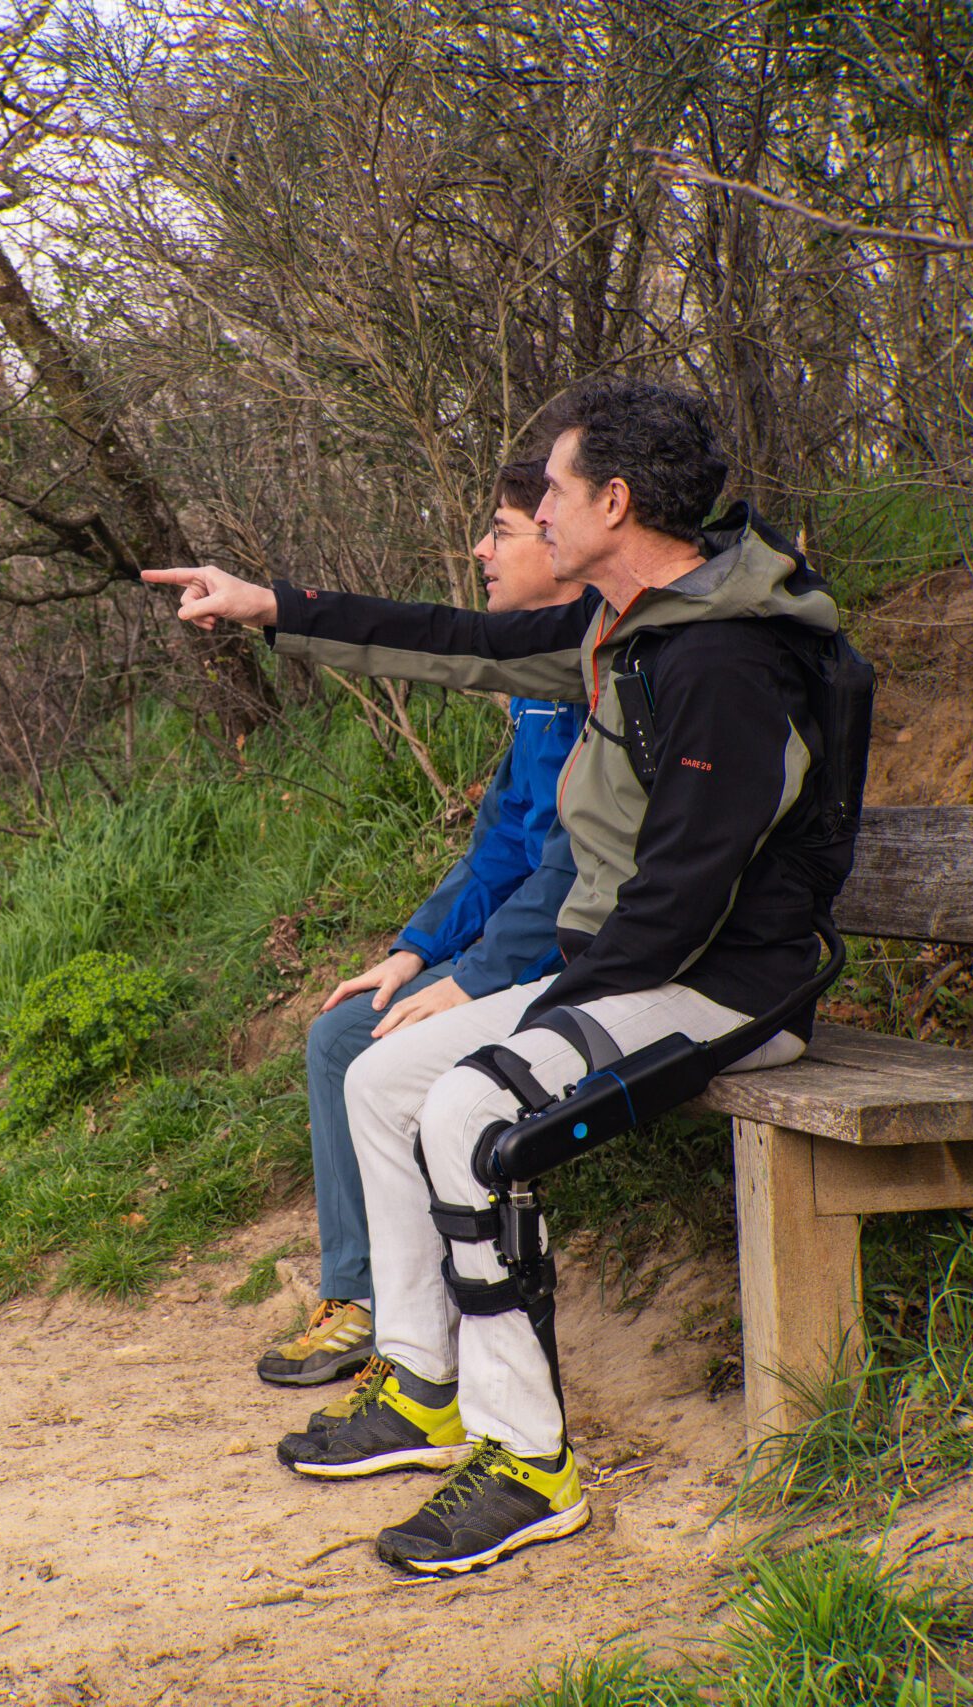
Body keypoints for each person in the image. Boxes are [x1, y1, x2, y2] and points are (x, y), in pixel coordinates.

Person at [145, 379, 856, 1575]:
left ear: (611, 503)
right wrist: (267, 604)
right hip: (633, 974)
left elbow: (689, 893)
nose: (530, 517)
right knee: (381, 1080)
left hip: (731, 994)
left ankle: (528, 1462)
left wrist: (530, 1021)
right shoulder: (626, 626)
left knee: (474, 1105)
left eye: (556, 491)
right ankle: (423, 1389)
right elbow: (459, 640)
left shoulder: (726, 660)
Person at [258, 461, 582, 1393]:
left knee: (376, 1055)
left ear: (562, 546)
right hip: (515, 954)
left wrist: (466, 978)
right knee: (339, 1033)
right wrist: (413, 949)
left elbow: (572, 876)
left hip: (583, 971)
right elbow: (498, 848)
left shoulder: (603, 675)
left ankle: (426, 1346)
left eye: (503, 530)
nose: (480, 550)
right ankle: (359, 1302)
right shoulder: (536, 685)